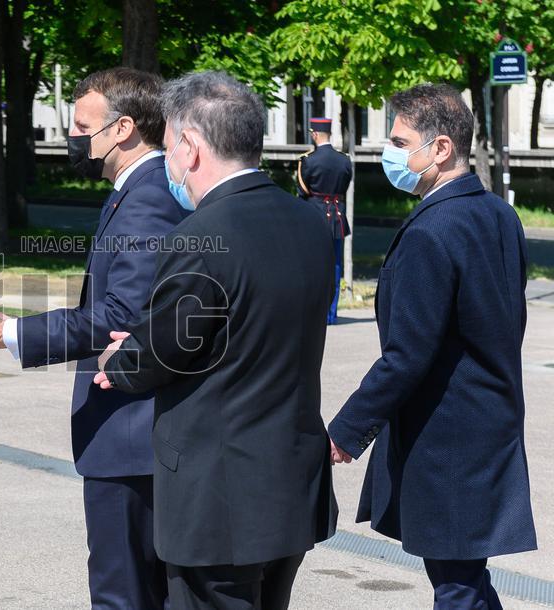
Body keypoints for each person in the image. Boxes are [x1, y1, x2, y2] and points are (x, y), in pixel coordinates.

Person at [0, 67, 187, 609]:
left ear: (121, 129)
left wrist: (12, 332)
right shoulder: (137, 189)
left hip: (131, 435)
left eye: (80, 125)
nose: (71, 136)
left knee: (124, 594)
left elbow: (121, 313)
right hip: (131, 434)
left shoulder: (148, 194)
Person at [93, 71, 338, 610]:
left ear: (192, 147)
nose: (170, 164)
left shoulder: (197, 238)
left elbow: (164, 349)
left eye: (172, 148)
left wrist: (121, 358)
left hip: (220, 496)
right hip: (289, 480)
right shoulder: (309, 224)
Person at [327, 83, 536, 610]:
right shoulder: (498, 214)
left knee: (456, 586)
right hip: (487, 423)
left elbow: (407, 354)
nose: (389, 153)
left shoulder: (433, 230)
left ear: (441, 148)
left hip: (446, 439)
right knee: (464, 578)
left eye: (399, 141)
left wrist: (349, 430)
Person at [295, 116, 353, 324]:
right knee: (335, 266)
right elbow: (344, 186)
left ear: (314, 134)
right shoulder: (344, 159)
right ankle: (331, 313)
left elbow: (302, 191)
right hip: (337, 216)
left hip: (313, 217)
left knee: (312, 265)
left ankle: (315, 312)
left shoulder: (307, 160)